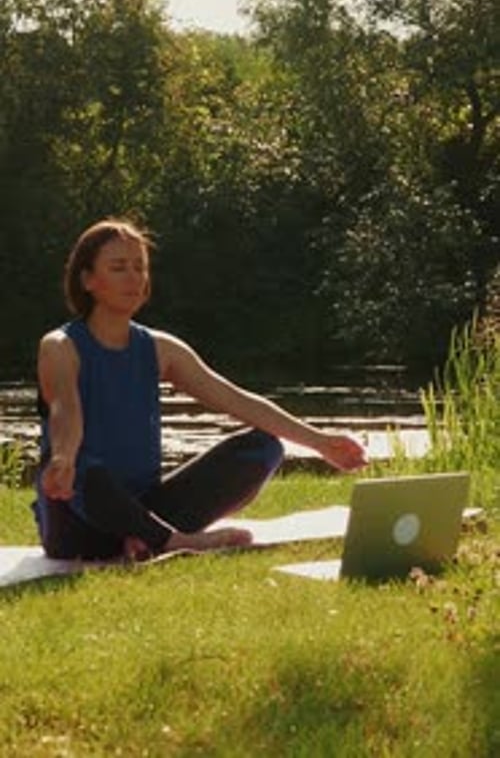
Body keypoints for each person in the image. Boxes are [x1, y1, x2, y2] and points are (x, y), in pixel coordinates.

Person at [33, 218, 368, 562]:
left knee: (262, 447)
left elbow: (235, 399)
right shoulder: (60, 346)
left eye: (140, 267)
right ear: (87, 279)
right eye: (118, 268)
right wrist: (63, 458)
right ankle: (173, 541)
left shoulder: (160, 348)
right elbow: (65, 410)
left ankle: (148, 535)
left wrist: (320, 442)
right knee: (85, 468)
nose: (134, 277)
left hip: (147, 508)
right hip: (79, 519)